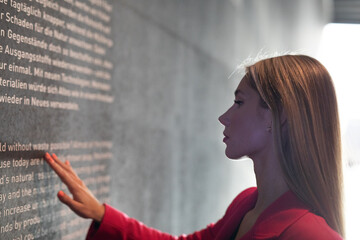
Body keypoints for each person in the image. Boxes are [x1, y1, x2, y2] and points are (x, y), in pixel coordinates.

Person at [44, 54, 344, 239]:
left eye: (239, 102)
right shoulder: (247, 204)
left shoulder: (310, 234)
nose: (224, 117)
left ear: (280, 117)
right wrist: (101, 214)